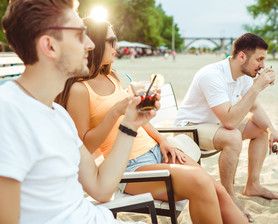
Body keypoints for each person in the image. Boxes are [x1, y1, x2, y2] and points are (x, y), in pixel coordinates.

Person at [0, 0, 157, 223]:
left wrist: (130, 125)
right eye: (80, 35)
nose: (91, 45)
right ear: (50, 46)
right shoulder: (1, 114)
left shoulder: (58, 114)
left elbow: (101, 188)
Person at [55, 17, 248, 224]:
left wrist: (163, 141)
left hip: (156, 149)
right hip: (128, 167)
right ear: (93, 43)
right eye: (111, 40)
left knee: (218, 190)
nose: (117, 46)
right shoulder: (79, 89)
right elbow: (84, 146)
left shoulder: (111, 76)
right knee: (201, 182)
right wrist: (114, 114)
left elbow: (140, 121)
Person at [173, 33, 278, 223]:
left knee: (260, 129)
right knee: (232, 136)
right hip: (188, 130)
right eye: (259, 59)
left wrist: (272, 130)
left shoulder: (242, 75)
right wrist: (256, 87)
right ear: (242, 56)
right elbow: (230, 122)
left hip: (214, 125)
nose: (263, 66)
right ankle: (228, 195)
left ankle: (253, 184)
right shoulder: (212, 75)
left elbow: (254, 107)